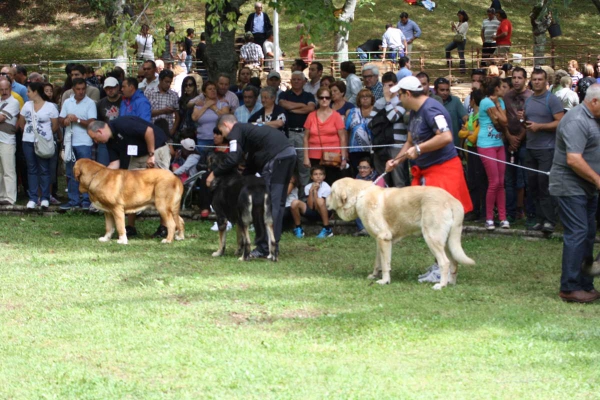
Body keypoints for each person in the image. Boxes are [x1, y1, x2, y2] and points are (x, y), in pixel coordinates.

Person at [385, 76, 472, 283]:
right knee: (432, 223)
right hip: (426, 170)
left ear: (408, 94)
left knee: (439, 223)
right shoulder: (415, 112)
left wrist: (419, 149)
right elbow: (410, 140)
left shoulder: (431, 109)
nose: (398, 98)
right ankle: (440, 266)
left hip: (443, 170)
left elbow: (446, 137)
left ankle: (448, 270)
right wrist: (396, 160)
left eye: (399, 95)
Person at [206, 114, 296, 258]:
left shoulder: (236, 129)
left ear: (226, 125)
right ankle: (271, 246)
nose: (226, 138)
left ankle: (264, 248)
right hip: (289, 154)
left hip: (276, 158)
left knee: (268, 203)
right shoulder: (249, 131)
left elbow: (234, 157)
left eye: (223, 133)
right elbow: (252, 162)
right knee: (277, 203)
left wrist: (214, 173)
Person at [549, 84, 600, 303]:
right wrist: (598, 180)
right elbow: (574, 159)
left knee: (588, 233)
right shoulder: (577, 121)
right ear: (595, 102)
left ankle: (585, 284)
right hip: (569, 186)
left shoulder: (594, 119)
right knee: (578, 232)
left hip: (587, 186)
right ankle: (569, 288)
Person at [86, 116, 171, 237]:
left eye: (94, 138)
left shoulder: (122, 124)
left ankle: (164, 227)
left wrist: (151, 154)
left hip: (156, 149)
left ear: (99, 131)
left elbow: (149, 131)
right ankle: (130, 227)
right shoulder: (109, 142)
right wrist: (99, 178)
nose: (95, 142)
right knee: (131, 188)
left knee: (160, 188)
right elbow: (115, 164)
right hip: (136, 155)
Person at [522, 67, 564, 233]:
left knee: (544, 184)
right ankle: (539, 218)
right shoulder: (529, 100)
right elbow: (527, 120)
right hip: (530, 146)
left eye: (540, 79)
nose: (537, 82)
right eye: (535, 79)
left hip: (547, 148)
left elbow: (560, 122)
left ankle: (550, 220)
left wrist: (540, 127)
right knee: (532, 184)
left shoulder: (552, 100)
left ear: (546, 81)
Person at [17, 82, 59, 210]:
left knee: (44, 169)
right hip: (28, 141)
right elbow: (21, 123)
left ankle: (45, 197)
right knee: (31, 169)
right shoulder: (26, 105)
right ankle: (33, 198)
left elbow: (55, 126)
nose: (27, 93)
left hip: (44, 141)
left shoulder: (50, 107)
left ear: (36, 92)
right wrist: (30, 134)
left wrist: (43, 136)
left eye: (29, 91)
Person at [59, 78, 97, 211]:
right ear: (73, 89)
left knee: (85, 173)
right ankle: (73, 200)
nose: (81, 92)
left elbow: (92, 123)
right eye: (78, 89)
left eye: (83, 89)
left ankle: (86, 200)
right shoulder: (67, 102)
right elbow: (60, 119)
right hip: (70, 141)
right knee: (70, 172)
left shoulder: (90, 103)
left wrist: (77, 120)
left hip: (84, 142)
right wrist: (65, 121)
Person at [477, 77, 509, 230]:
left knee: (501, 183)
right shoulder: (486, 102)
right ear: (496, 88)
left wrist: (499, 110)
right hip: (486, 144)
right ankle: (489, 217)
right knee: (494, 182)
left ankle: (503, 217)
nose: (505, 89)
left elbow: (504, 121)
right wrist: (499, 111)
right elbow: (500, 121)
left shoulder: (500, 102)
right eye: (502, 87)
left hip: (498, 144)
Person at [503, 66, 532, 223]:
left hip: (526, 142)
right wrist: (509, 137)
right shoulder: (506, 97)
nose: (516, 80)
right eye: (514, 77)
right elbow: (503, 118)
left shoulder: (531, 96)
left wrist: (518, 138)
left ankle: (530, 214)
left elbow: (530, 121)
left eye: (519, 77)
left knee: (528, 179)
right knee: (509, 180)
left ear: (525, 80)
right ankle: (510, 212)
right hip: (509, 141)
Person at [278, 70, 316, 190]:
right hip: (287, 134)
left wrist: (292, 108)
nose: (296, 81)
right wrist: (301, 106)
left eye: (298, 79)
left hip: (303, 134)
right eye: (293, 79)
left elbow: (310, 108)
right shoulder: (284, 94)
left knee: (304, 166)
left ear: (304, 81)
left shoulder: (309, 95)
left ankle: (304, 196)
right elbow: (283, 104)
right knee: (286, 164)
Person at [371, 72, 409, 188]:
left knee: (398, 179)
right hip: (381, 144)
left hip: (397, 145)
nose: (388, 89)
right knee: (383, 180)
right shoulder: (378, 102)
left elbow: (393, 117)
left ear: (396, 85)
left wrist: (387, 102)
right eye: (385, 86)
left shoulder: (402, 101)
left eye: (391, 85)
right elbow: (370, 122)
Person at [302, 87, 347, 186]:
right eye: (321, 97)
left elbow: (342, 138)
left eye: (327, 97)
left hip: (333, 156)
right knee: (317, 184)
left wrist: (343, 158)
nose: (324, 100)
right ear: (317, 99)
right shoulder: (311, 116)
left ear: (331, 99)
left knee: (333, 183)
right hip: (314, 155)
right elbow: (306, 138)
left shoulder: (336, 115)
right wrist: (306, 157)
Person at [459, 89, 487, 221]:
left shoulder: (482, 117)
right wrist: (469, 133)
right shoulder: (471, 116)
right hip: (469, 151)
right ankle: (474, 209)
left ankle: (484, 212)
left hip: (478, 151)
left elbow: (473, 138)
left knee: (481, 181)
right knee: (472, 181)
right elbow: (461, 133)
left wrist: (468, 133)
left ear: (473, 100)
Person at [290, 165, 334, 239]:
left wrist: (316, 192)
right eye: (315, 174)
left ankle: (327, 228)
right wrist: (311, 191)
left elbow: (318, 206)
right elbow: (310, 206)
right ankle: (298, 228)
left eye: (320, 174)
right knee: (294, 202)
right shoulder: (308, 187)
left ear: (324, 177)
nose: (318, 176)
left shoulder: (327, 187)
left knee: (320, 200)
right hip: (312, 211)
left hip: (323, 213)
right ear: (311, 177)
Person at [192, 81, 231, 161]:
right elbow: (194, 118)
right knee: (202, 162)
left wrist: (213, 107)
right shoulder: (199, 105)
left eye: (214, 89)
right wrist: (206, 106)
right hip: (202, 139)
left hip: (219, 140)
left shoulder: (223, 104)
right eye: (210, 89)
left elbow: (225, 117)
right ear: (204, 92)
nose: (213, 91)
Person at [0, 78, 20, 205]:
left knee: (8, 170)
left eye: (6, 89)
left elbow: (1, 118)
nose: (4, 92)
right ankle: (1, 196)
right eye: (1, 89)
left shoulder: (14, 102)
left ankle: (10, 197)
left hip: (7, 140)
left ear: (10, 89)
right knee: (0, 170)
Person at [353, 157, 385, 236]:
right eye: (360, 167)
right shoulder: (356, 179)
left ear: (371, 169)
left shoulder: (378, 179)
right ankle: (363, 229)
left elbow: (379, 194)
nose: (362, 170)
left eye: (365, 167)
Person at [346, 88, 374, 173]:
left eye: (367, 96)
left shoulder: (377, 111)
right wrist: (346, 149)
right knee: (357, 173)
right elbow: (346, 131)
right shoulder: (352, 112)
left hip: (373, 150)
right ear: (359, 99)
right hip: (355, 150)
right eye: (362, 97)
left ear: (372, 98)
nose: (365, 98)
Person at [96, 77, 122, 166]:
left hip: (122, 139)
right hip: (105, 140)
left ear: (118, 87)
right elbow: (98, 122)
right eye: (107, 88)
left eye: (113, 87)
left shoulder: (125, 101)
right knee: (103, 167)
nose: (110, 90)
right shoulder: (100, 103)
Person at [145, 69, 180, 136]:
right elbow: (146, 113)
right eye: (166, 82)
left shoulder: (174, 95)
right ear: (160, 80)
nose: (168, 84)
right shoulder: (149, 93)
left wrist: (172, 131)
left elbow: (177, 116)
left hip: (168, 131)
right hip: (152, 131)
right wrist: (162, 111)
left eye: (170, 82)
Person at [434, 77, 468, 146]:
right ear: (436, 90)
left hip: (454, 144)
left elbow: (465, 117)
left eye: (447, 90)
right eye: (442, 90)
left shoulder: (455, 101)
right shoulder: (431, 102)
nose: (445, 93)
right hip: (436, 144)